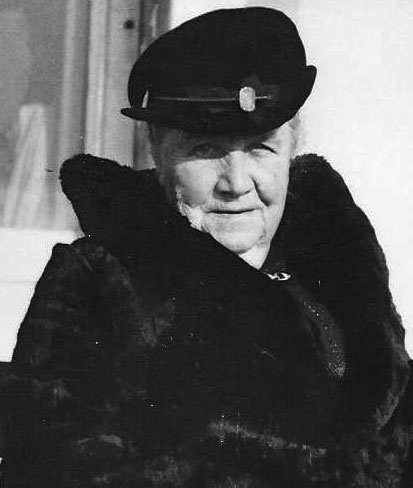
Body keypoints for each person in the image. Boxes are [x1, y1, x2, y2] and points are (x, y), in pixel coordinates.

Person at [1, 7, 412, 487]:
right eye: (205, 150)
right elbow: (48, 461)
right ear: (156, 150)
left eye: (260, 147)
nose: (236, 183)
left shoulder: (344, 273)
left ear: (292, 148)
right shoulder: (98, 281)